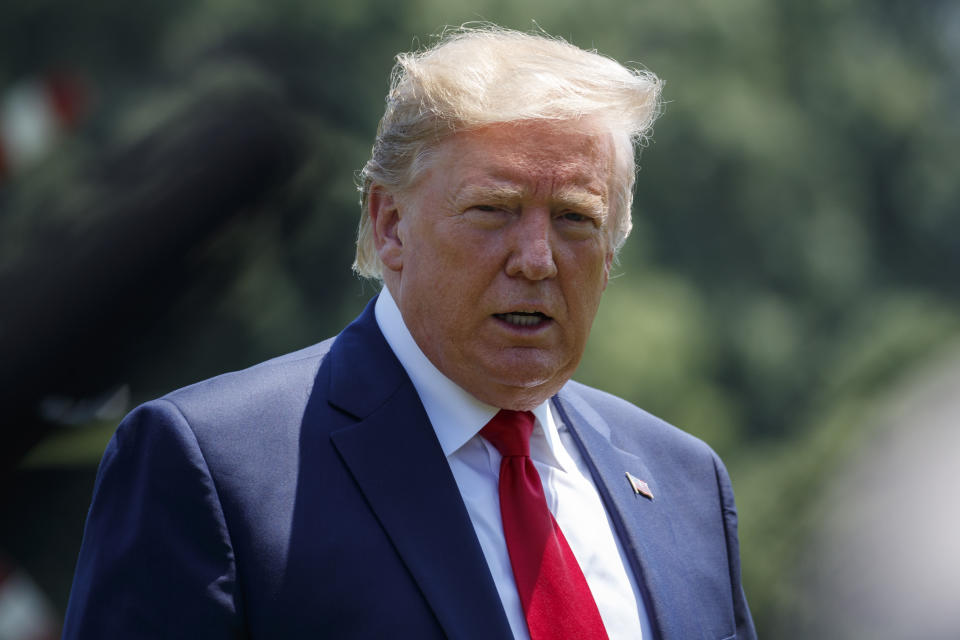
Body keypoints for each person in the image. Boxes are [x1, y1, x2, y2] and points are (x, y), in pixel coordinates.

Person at [63, 25, 756, 640]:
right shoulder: (213, 469)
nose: (537, 258)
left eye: (576, 218)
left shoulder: (685, 482)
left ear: (613, 249)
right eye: (494, 209)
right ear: (390, 224)